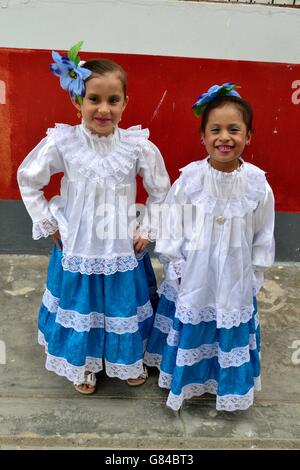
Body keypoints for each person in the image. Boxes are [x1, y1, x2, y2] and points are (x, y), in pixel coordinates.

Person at [17, 42, 170, 394]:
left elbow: (162, 189)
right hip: (79, 245)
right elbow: (29, 179)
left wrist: (148, 228)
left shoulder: (137, 146)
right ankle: (81, 364)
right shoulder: (63, 143)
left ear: (125, 103)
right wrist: (49, 221)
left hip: (120, 246)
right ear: (77, 102)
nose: (104, 109)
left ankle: (126, 359)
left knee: (121, 305)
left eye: (113, 100)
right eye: (94, 99)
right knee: (80, 306)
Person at [144, 83, 275, 411]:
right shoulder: (189, 180)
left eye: (234, 129)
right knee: (194, 320)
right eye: (215, 129)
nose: (224, 137)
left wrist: (256, 272)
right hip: (194, 273)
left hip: (235, 275)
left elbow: (264, 233)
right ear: (202, 137)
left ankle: (223, 381)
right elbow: (172, 224)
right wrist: (176, 265)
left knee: (228, 321)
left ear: (249, 136)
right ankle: (186, 378)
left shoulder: (258, 184)